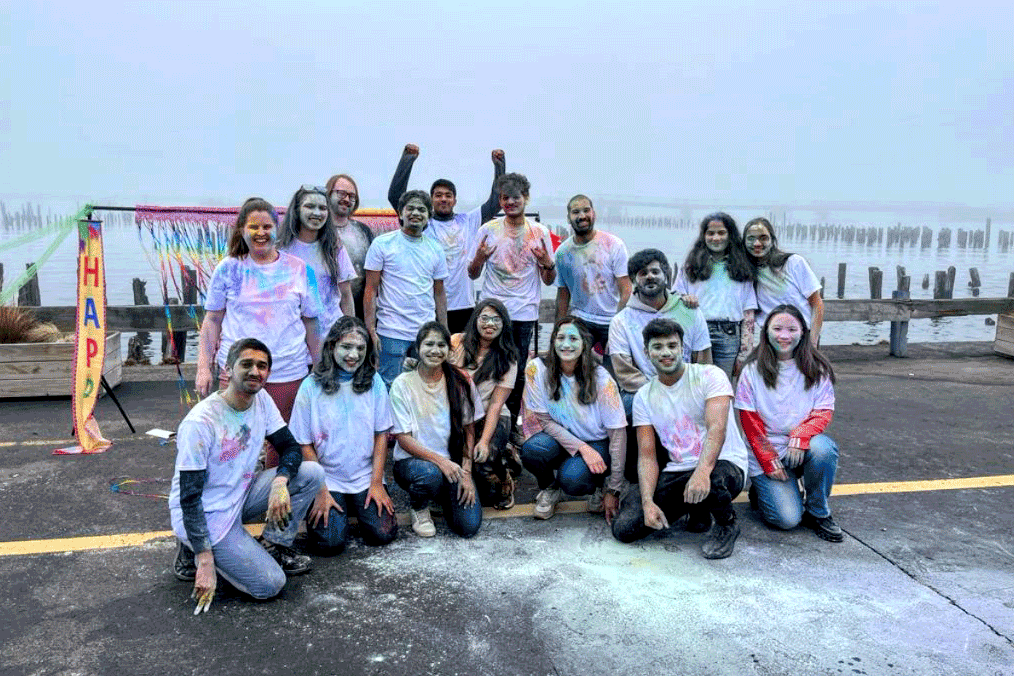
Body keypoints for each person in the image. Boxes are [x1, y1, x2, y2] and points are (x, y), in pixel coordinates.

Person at [169, 338, 325, 611]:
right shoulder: (200, 423)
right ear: (227, 369)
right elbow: (190, 498)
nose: (255, 371)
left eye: (262, 366)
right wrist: (206, 561)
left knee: (310, 473)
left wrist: (280, 482)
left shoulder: (261, 400)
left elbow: (289, 447)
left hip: (240, 494)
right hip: (208, 514)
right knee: (270, 584)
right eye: (247, 364)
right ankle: (196, 548)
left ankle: (275, 543)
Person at [610, 319, 747, 559]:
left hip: (722, 464)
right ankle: (697, 508)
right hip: (680, 470)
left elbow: (717, 430)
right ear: (647, 352)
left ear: (683, 348)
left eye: (672, 345)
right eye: (658, 347)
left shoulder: (709, 375)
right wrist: (647, 502)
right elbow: (647, 455)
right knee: (625, 528)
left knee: (713, 480)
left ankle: (727, 524)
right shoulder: (644, 396)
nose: (666, 352)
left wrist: (702, 472)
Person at [196, 197, 320, 424]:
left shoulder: (301, 270)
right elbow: (212, 320)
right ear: (242, 230)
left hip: (288, 370)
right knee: (233, 438)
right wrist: (203, 368)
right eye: (253, 227)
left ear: (277, 230)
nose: (260, 232)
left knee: (282, 438)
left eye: (267, 227)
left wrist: (320, 370)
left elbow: (312, 324)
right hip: (237, 371)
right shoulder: (228, 269)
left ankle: (273, 463)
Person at [289, 317, 397, 555]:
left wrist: (377, 483)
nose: (353, 355)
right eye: (346, 347)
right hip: (326, 477)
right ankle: (340, 506)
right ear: (331, 347)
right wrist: (320, 491)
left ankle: (355, 504)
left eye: (360, 348)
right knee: (330, 544)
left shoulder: (374, 382)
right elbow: (304, 443)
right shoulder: (310, 387)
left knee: (383, 534)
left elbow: (381, 435)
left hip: (364, 476)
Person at [735, 304, 842, 542]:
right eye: (778, 329)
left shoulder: (818, 368)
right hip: (767, 448)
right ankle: (762, 490)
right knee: (787, 520)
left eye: (792, 329)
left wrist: (802, 435)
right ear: (766, 332)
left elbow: (823, 411)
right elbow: (749, 422)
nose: (784, 336)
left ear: (803, 332)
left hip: (802, 445)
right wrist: (768, 461)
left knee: (824, 449)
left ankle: (817, 511)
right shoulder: (751, 370)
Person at [387, 144, 506, 334]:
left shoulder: (468, 221)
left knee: (460, 358)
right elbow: (395, 197)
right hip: (429, 305)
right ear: (431, 200)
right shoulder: (424, 224)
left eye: (448, 196)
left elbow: (495, 202)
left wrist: (499, 165)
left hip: (463, 306)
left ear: (455, 201)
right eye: (438, 195)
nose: (443, 199)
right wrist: (407, 160)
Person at [469, 173, 556, 426]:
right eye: (505, 198)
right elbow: (472, 273)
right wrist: (479, 258)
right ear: (500, 200)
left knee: (516, 373)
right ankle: (481, 421)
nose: (510, 203)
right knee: (484, 366)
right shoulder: (487, 230)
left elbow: (549, 279)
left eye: (515, 197)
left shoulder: (539, 233)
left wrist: (547, 263)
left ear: (525, 199)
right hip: (493, 311)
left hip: (523, 314)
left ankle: (510, 424)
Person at [520, 317, 627, 521]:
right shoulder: (536, 369)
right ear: (552, 342)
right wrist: (581, 448)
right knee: (533, 449)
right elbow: (544, 421)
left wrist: (614, 488)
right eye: (560, 338)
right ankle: (550, 488)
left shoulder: (602, 379)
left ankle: (599, 484)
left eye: (573, 339)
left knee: (572, 480)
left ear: (584, 344)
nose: (566, 344)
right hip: (563, 438)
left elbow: (618, 435)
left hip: (598, 442)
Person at [391, 322, 485, 538]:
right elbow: (403, 439)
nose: (435, 350)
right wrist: (441, 462)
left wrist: (467, 473)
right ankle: (420, 508)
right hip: (414, 463)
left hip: (453, 463)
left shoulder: (461, 380)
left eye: (441, 345)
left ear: (449, 350)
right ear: (418, 348)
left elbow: (469, 429)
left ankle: (442, 496)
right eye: (429, 344)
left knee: (468, 526)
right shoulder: (402, 384)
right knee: (430, 474)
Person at [608, 249, 711, 421]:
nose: (650, 276)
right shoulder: (621, 321)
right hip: (643, 391)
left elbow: (703, 358)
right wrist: (661, 394)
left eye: (655, 272)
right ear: (633, 280)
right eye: (643, 273)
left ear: (666, 275)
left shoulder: (689, 311)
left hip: (687, 390)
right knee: (627, 405)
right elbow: (624, 372)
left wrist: (687, 392)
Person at [363, 190, 449, 387]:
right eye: (410, 208)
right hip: (391, 331)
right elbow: (371, 289)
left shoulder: (435, 249)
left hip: (425, 333)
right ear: (400, 213)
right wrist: (371, 329)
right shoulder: (382, 244)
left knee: (425, 387)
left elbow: (439, 293)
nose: (415, 213)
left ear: (429, 216)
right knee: (389, 386)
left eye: (422, 209)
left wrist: (443, 330)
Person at [448, 299, 521, 509]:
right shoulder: (457, 342)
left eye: (497, 319)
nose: (490, 323)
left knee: (482, 462)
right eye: (485, 318)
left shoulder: (508, 357)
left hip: (492, 415)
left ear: (504, 324)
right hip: (459, 415)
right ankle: (504, 453)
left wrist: (485, 441)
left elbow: (497, 404)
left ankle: (504, 477)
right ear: (475, 320)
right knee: (456, 466)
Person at [674, 212, 757, 378]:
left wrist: (744, 352)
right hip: (695, 331)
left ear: (730, 235)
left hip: (728, 335)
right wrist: (684, 299)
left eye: (721, 233)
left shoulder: (741, 269)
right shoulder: (691, 266)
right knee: (694, 383)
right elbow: (675, 296)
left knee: (721, 385)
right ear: (703, 236)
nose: (716, 238)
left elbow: (748, 314)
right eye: (710, 233)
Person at [554, 194, 631, 357]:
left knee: (612, 373)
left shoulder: (613, 244)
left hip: (611, 320)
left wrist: (618, 325)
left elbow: (626, 290)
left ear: (593, 214)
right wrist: (558, 330)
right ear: (568, 218)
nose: (582, 216)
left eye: (586, 210)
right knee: (575, 368)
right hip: (581, 320)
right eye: (576, 212)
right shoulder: (562, 252)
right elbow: (563, 293)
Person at [278, 185, 355, 342]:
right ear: (297, 210)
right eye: (310, 206)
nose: (317, 213)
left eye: (322, 208)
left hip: (330, 338)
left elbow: (346, 295)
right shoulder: (280, 248)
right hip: (291, 340)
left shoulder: (335, 247)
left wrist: (350, 334)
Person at [742, 216, 824, 345]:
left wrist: (813, 342)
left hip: (802, 337)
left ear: (772, 240)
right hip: (771, 339)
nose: (757, 243)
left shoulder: (793, 263)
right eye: (751, 238)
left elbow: (817, 303)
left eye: (763, 238)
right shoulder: (746, 272)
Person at [325, 173, 374, 320]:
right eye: (341, 193)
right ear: (328, 194)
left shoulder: (364, 231)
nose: (346, 199)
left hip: (360, 313)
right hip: (325, 313)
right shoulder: (317, 230)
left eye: (352, 196)